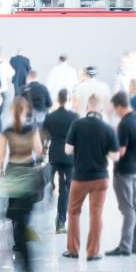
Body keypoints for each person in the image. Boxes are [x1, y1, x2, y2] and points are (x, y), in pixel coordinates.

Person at [0, 96, 51, 272]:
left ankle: (18, 242)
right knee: (22, 219)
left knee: (14, 216)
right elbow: (38, 151)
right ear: (26, 112)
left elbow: (0, 157)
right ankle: (22, 255)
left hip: (12, 173)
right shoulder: (32, 130)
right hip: (27, 173)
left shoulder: (6, 131)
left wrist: (1, 172)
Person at [63, 94, 118, 261]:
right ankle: (93, 252)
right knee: (96, 214)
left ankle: (73, 250)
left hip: (79, 177)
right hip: (100, 179)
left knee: (73, 213)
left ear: (87, 108)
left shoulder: (77, 125)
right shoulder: (107, 128)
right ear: (100, 110)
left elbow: (67, 150)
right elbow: (115, 157)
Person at [107, 91, 136, 257]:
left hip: (124, 170)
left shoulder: (124, 124)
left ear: (119, 106)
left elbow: (120, 152)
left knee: (127, 209)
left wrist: (107, 151)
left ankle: (124, 246)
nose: (115, 112)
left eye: (115, 109)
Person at [43, 89, 79, 233]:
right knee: (66, 188)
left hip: (54, 155)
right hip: (69, 158)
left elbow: (44, 136)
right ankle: (61, 221)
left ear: (58, 99)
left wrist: (44, 149)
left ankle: (51, 187)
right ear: (68, 99)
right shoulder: (74, 117)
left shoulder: (50, 117)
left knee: (55, 183)